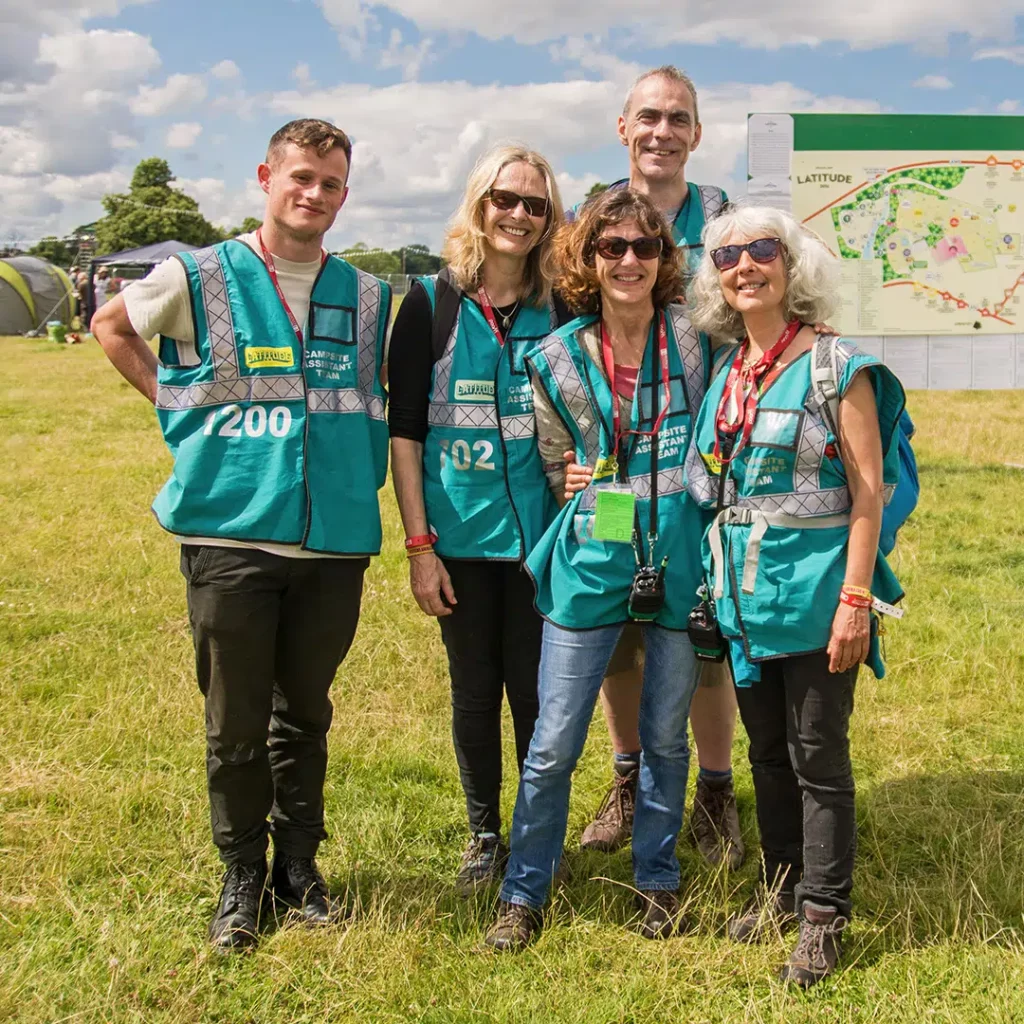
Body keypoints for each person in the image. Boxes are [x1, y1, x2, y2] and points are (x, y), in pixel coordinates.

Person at [91, 119, 391, 952]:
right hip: (231, 537)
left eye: (331, 183)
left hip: (333, 541)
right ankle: (241, 875)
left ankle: (299, 867)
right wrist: (171, 404)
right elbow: (111, 326)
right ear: (266, 176)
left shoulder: (370, 296)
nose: (315, 194)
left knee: (307, 714)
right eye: (301, 177)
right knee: (234, 723)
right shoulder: (197, 275)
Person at [484, 187, 711, 951]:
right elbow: (553, 462)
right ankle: (524, 892)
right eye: (611, 247)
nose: (628, 260)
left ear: (662, 260)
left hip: (678, 554)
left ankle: (658, 879)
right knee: (553, 741)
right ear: (588, 259)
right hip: (592, 555)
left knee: (666, 736)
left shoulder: (693, 337)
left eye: (644, 247)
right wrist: (575, 481)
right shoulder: (554, 357)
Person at [686, 204, 906, 986]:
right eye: (728, 256)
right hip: (746, 604)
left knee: (818, 758)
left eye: (762, 251)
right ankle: (780, 889)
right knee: (769, 755)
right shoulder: (728, 375)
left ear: (792, 265)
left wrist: (855, 600)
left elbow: (868, 495)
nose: (745, 266)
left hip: (816, 602)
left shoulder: (834, 367)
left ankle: (822, 917)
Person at [568, 65, 742, 869]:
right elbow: (562, 329)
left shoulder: (728, 220)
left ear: (697, 134)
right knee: (624, 633)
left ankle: (714, 793)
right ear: (622, 127)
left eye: (678, 118)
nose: (661, 131)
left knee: (703, 632)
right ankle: (630, 779)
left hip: (704, 464)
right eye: (648, 117)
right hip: (612, 472)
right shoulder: (589, 216)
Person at [388, 146, 566, 893]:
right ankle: (483, 835)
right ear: (478, 204)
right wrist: (419, 546)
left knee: (536, 696)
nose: (519, 215)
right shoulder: (431, 305)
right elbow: (404, 433)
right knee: (473, 693)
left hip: (542, 546)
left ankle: (534, 840)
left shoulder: (562, 307)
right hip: (457, 544)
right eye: (506, 199)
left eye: (535, 205)